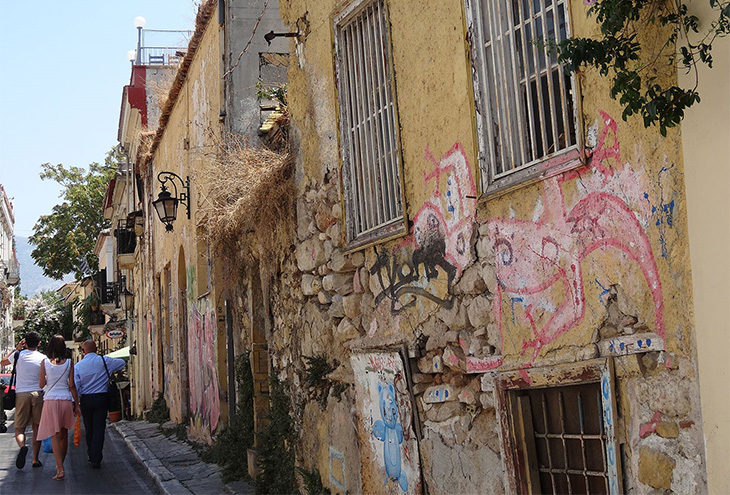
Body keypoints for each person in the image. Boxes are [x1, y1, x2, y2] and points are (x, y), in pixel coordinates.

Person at [73, 340, 126, 468]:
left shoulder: (78, 366)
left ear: (83, 351)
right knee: (99, 427)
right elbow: (122, 363)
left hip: (86, 399)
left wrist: (76, 403)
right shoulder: (104, 361)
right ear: (96, 349)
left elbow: (76, 385)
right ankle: (96, 456)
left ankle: (91, 453)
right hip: (101, 398)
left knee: (89, 427)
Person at [37, 335, 79, 481]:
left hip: (51, 400)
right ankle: (60, 465)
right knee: (63, 434)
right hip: (66, 399)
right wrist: (77, 404)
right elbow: (72, 385)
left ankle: (60, 468)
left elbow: (41, 384)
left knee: (54, 435)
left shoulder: (45, 363)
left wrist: (48, 378)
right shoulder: (69, 363)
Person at [0, 331, 45, 470]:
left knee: (19, 428)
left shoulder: (18, 355)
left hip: (21, 394)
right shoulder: (43, 358)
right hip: (37, 393)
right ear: (39, 343)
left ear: (25, 342)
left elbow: (3, 362)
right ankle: (35, 459)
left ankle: (22, 446)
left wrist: (17, 348)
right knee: (37, 427)